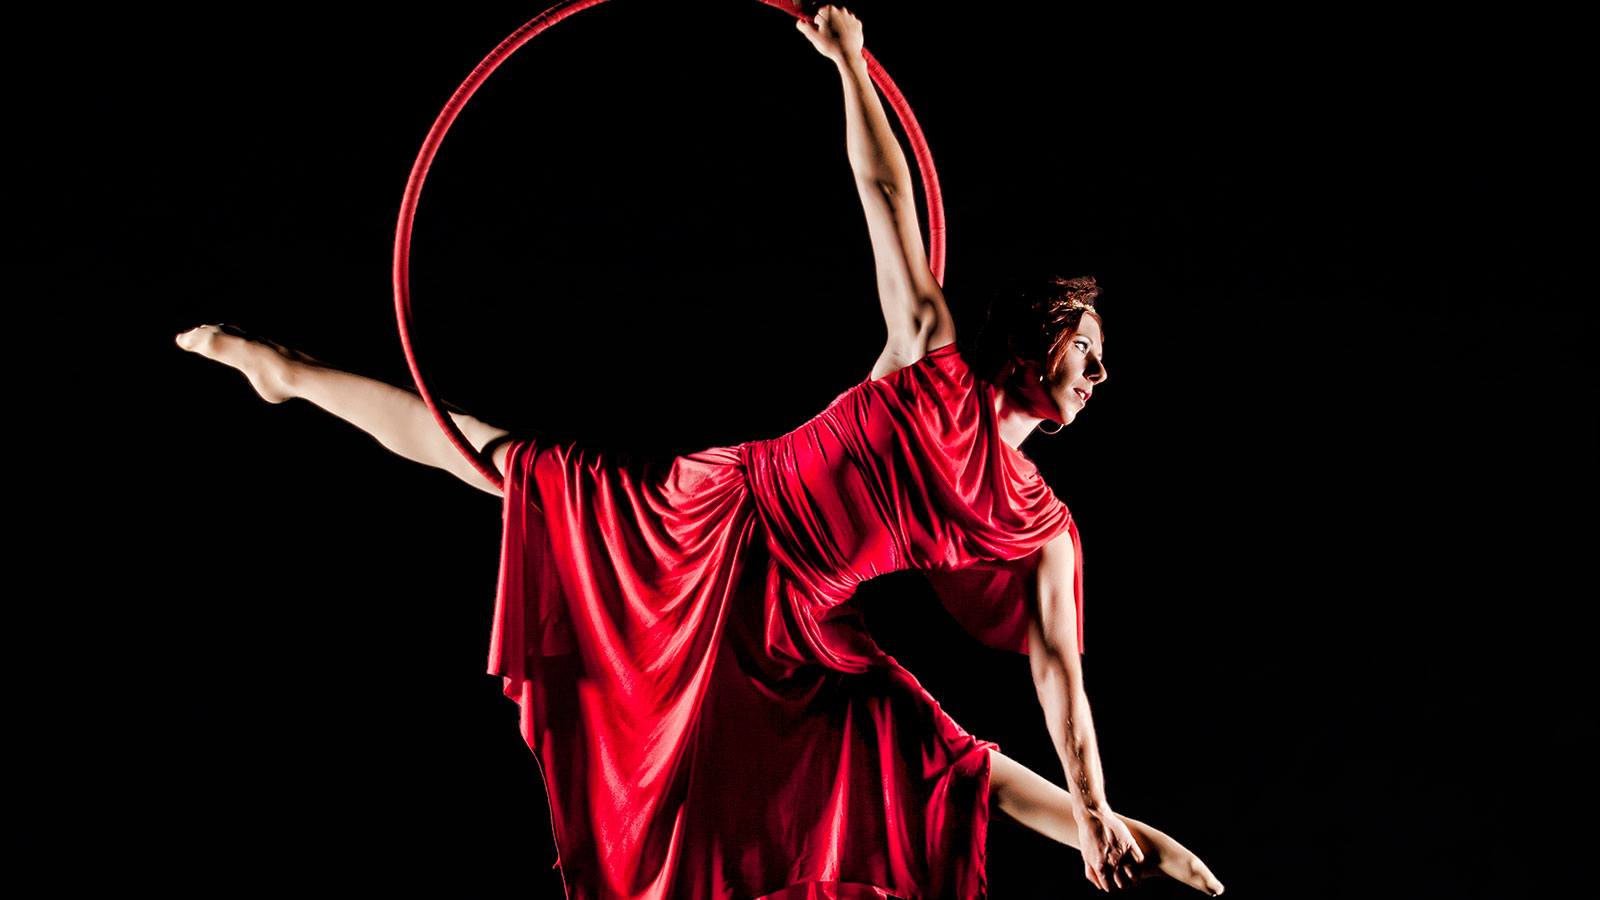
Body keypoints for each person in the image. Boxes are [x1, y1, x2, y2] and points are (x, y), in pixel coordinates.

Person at [176, 6, 1223, 898]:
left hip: (795, 624)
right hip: (718, 515)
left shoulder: (1045, 529)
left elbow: (1058, 673)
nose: (1098, 374)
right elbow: (888, 200)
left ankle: (1107, 831)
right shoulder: (926, 354)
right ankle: (288, 372)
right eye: (1086, 349)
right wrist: (849, 66)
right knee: (504, 465)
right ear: (1034, 342)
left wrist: (1090, 803)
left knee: (926, 749)